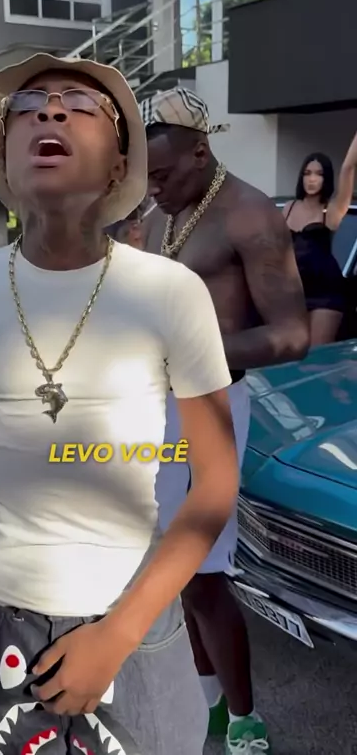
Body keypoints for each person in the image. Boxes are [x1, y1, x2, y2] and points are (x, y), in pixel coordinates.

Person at [0, 53, 241, 755]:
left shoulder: (170, 293)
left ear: (119, 165)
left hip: (135, 621)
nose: (51, 110)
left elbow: (214, 481)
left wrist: (118, 635)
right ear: (5, 156)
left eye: (81, 105)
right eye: (28, 106)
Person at [140, 87, 309, 755]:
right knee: (172, 567)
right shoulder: (166, 210)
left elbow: (293, 335)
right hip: (156, 408)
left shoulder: (250, 216)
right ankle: (208, 701)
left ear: (201, 152)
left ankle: (245, 718)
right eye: (146, 177)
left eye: (161, 174)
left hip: (210, 411)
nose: (153, 189)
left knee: (203, 572)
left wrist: (188, 354)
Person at [283, 136, 357, 346]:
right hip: (293, 292)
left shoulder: (331, 210)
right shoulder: (288, 208)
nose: (312, 179)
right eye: (307, 173)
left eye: (319, 174)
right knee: (291, 353)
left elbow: (348, 168)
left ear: (326, 179)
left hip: (325, 293)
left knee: (315, 355)